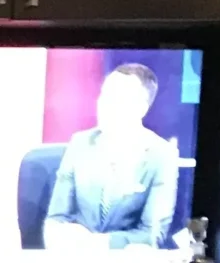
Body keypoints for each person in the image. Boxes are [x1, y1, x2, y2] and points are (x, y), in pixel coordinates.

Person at [43, 63, 181, 250]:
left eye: (118, 99)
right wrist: (60, 236)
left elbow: (152, 235)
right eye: (104, 95)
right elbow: (55, 220)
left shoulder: (161, 155)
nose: (105, 105)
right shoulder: (80, 143)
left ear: (141, 109)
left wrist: (96, 243)